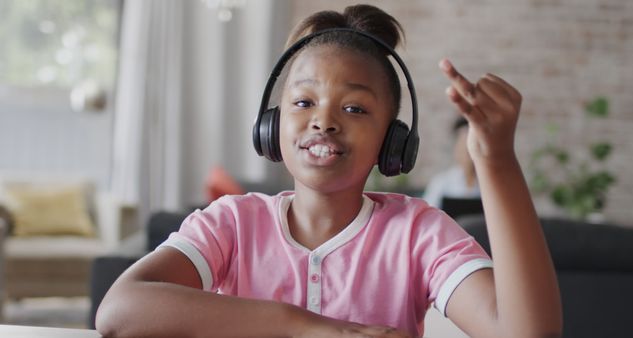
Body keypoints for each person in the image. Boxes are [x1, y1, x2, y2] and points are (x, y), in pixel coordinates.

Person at [96, 4, 562, 338]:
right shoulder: (232, 223)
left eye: (355, 108)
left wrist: (497, 161)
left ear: (392, 141)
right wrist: (304, 326)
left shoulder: (419, 234)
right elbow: (119, 310)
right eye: (303, 102)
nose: (324, 119)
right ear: (272, 125)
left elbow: (527, 332)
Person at [423, 117, 480, 208]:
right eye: (464, 149)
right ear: (456, 149)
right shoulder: (441, 183)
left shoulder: (490, 185)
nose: (468, 155)